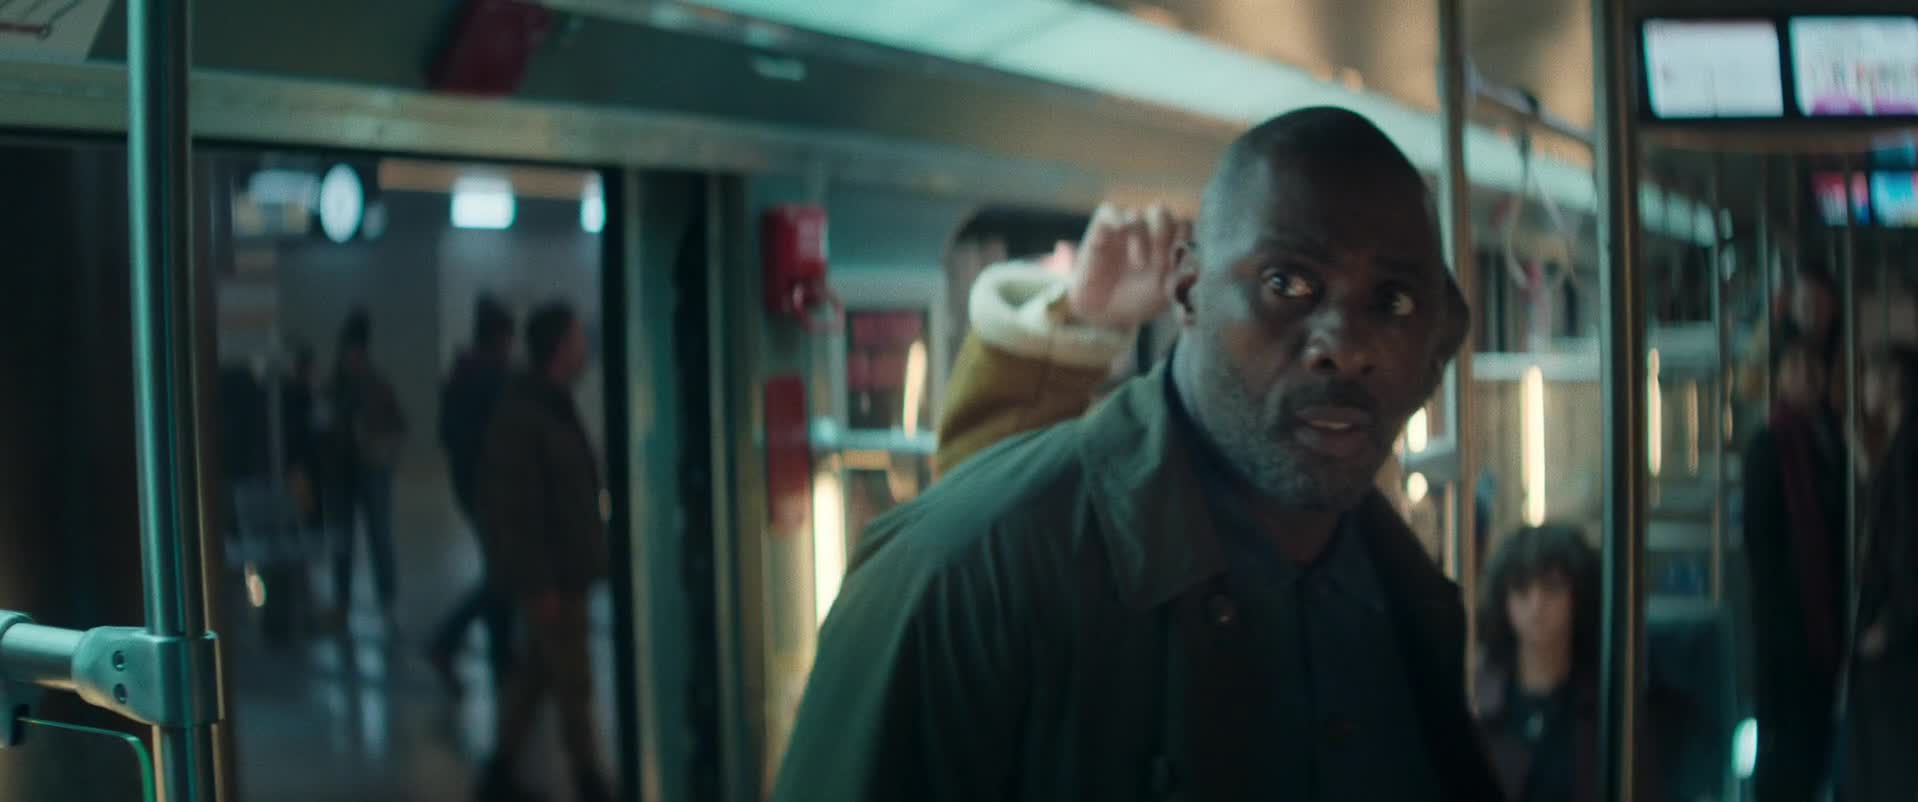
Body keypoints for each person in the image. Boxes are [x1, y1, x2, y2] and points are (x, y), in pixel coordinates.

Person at [771, 107, 1498, 802]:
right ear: (1188, 289)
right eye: (1286, 283)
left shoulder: (1408, 598)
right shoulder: (956, 579)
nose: (1347, 345)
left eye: (1393, 301)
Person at [475, 302, 612, 802]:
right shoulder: (526, 415)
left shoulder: (552, 405)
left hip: (564, 569)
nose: (584, 350)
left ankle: (498, 773)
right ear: (558, 348)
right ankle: (589, 780)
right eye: (577, 340)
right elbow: (516, 510)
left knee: (535, 676)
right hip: (552, 578)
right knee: (573, 682)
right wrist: (539, 583)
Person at [1473, 524, 1674, 802]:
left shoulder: (1613, 704)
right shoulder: (1477, 701)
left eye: (1552, 587)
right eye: (1521, 589)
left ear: (1578, 597)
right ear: (1503, 600)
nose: (1536, 604)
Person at [1741, 335, 1848, 802]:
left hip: (1821, 619)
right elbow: (1761, 548)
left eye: (1812, 368)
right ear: (1780, 378)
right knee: (1784, 748)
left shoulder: (1830, 440)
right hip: (1785, 624)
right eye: (1795, 367)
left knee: (1814, 742)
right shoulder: (1767, 446)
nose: (1805, 377)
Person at [427, 296, 518, 699]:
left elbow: (447, 435)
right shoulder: (493, 379)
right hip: (493, 491)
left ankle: (500, 661)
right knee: (502, 575)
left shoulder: (460, 375)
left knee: (501, 573)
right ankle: (449, 643)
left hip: (471, 488)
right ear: (499, 338)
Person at [1843, 345, 1918, 801]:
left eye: (1871, 376)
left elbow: (1909, 543)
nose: (1864, 387)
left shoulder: (1908, 446)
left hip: (1898, 634)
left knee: (1890, 761)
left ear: (1893, 383)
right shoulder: (1900, 443)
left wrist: (1890, 624)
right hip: (1896, 625)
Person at [330, 308, 408, 636]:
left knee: (378, 536)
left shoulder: (376, 383)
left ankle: (386, 603)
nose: (350, 358)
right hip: (343, 472)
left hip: (372, 470)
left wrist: (381, 450)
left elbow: (398, 425)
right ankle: (343, 604)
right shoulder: (336, 385)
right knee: (343, 540)